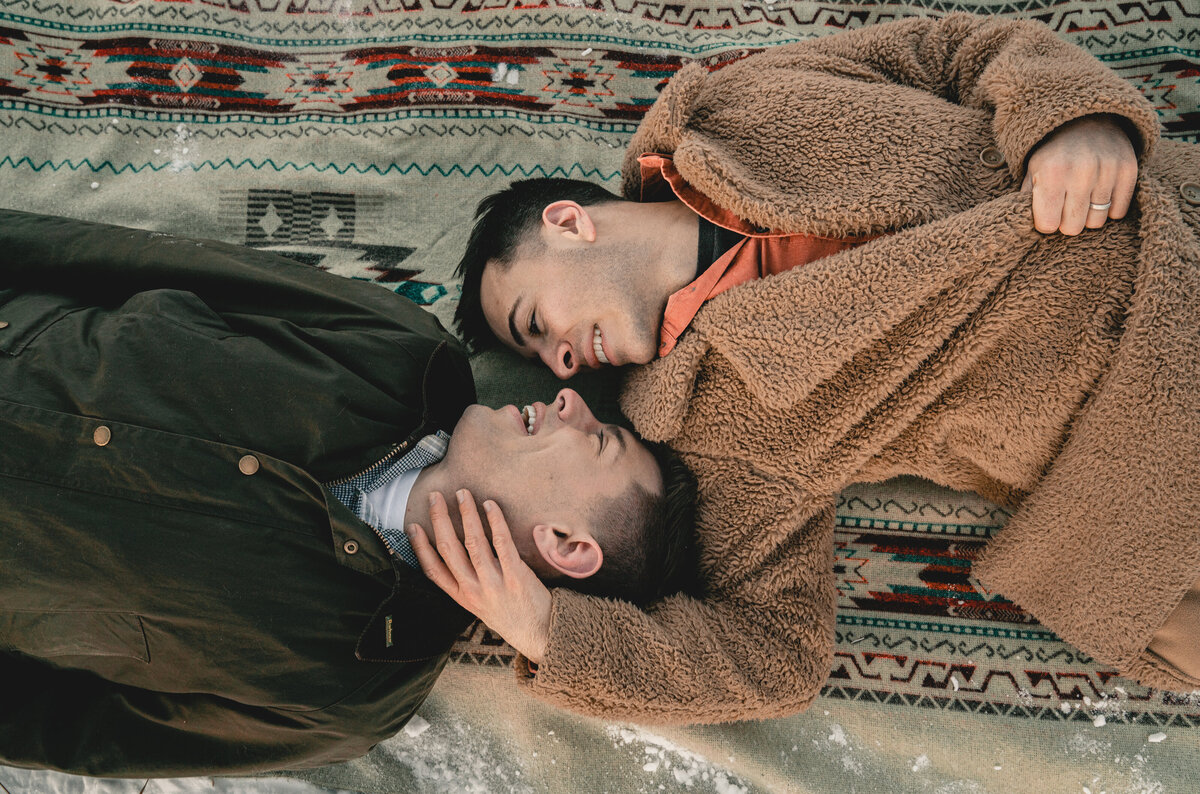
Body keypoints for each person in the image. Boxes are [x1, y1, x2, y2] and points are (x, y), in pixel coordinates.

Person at [423, 13, 1200, 724]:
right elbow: (773, 652)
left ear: (567, 224)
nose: (561, 366)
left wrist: (1071, 118)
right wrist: (548, 630)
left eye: (534, 324)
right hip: (1147, 435)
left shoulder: (742, 108)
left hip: (1161, 231)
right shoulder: (709, 424)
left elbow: (954, 51)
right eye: (543, 360)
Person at [0, 209, 696, 776]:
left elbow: (80, 728)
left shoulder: (356, 691)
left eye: (600, 440)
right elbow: (151, 264)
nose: (570, 400)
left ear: (567, 545)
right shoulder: (405, 350)